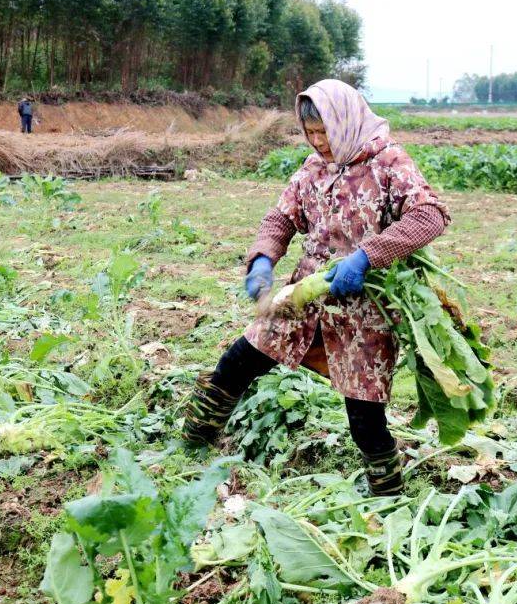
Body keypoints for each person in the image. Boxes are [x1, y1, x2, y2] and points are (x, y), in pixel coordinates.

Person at [182, 79, 451, 496]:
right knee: (238, 361)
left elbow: (429, 216)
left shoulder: (388, 162)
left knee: (365, 418)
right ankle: (190, 444)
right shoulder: (313, 169)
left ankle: (388, 495)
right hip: (306, 295)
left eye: (325, 132)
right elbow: (281, 219)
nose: (319, 142)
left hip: (365, 308)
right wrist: (262, 260)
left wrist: (366, 256)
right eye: (310, 134)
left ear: (345, 121)